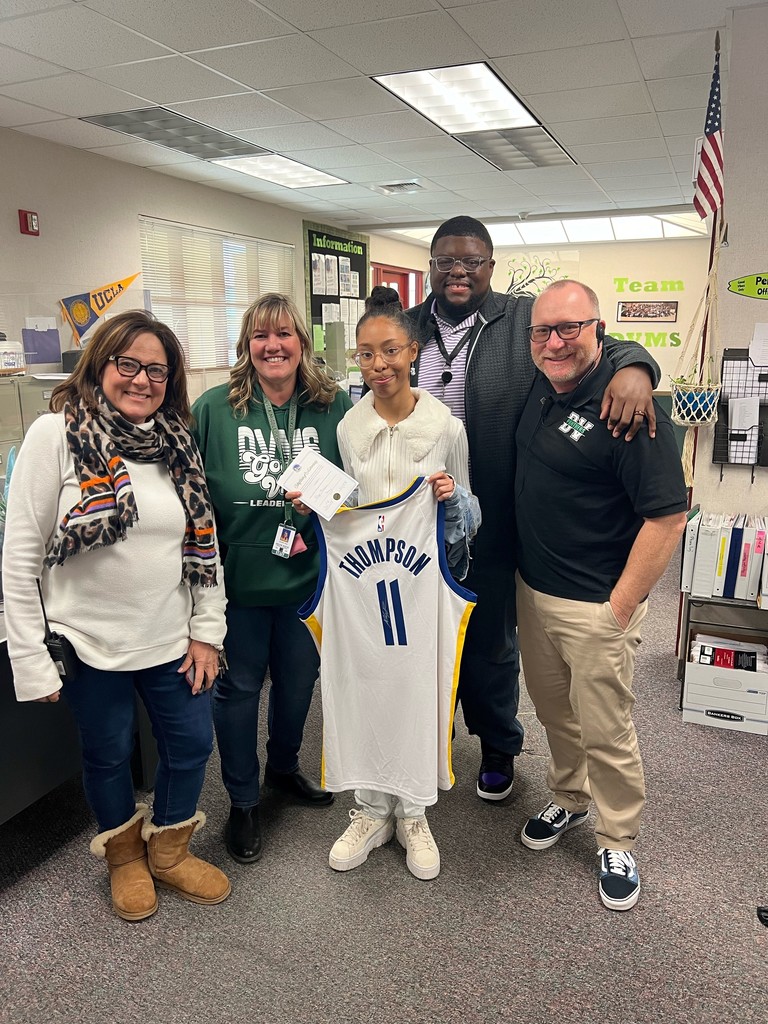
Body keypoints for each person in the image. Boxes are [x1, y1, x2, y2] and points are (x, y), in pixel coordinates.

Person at [405, 216, 662, 802]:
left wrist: (635, 366)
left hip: (497, 516)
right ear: (432, 267)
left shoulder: (521, 318)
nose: (459, 271)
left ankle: (497, 746)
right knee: (427, 637)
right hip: (417, 519)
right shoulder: (409, 326)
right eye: (446, 261)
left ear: (490, 266)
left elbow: (596, 337)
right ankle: (430, 739)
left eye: (471, 261)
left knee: (493, 645)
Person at [3, 310, 230, 922]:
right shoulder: (56, 435)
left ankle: (168, 851)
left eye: (156, 369)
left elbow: (201, 546)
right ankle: (124, 857)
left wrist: (208, 631)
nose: (141, 380)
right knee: (107, 754)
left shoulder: (175, 441)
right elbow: (20, 556)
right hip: (87, 642)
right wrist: (30, 658)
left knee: (191, 742)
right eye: (126, 364)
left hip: (170, 636)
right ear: (100, 363)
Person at [292, 295, 480, 880]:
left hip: (420, 588)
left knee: (419, 692)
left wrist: (454, 506)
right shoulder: (349, 428)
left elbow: (472, 517)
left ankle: (415, 812)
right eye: (367, 354)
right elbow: (347, 505)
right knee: (365, 686)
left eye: (390, 351)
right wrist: (315, 506)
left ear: (412, 352)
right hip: (362, 585)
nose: (379, 365)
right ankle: (372, 810)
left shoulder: (447, 428)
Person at [514, 280, 687, 911]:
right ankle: (569, 798)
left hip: (595, 607)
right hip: (533, 593)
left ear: (599, 329)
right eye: (543, 330)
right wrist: (635, 359)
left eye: (571, 328)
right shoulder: (543, 385)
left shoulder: (629, 409)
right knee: (556, 714)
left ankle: (618, 837)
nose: (555, 342)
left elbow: (668, 517)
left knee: (606, 729)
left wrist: (620, 609)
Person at [192, 293, 352, 866]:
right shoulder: (213, 408)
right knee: (236, 693)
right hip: (237, 583)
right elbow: (192, 497)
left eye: (284, 334)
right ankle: (241, 799)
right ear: (246, 346)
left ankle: (283, 769)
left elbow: (357, 488)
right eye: (261, 336)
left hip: (309, 578)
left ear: (301, 343)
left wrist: (324, 506)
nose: (273, 346)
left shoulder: (333, 407)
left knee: (298, 683)